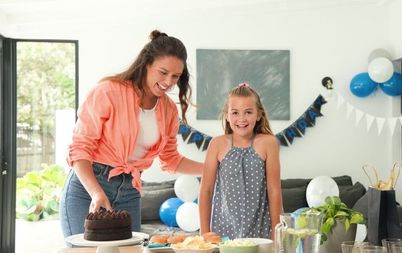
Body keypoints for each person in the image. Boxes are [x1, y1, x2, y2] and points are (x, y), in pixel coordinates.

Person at [60, 30, 203, 239]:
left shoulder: (168, 110)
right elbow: (80, 149)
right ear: (146, 64)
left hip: (130, 191)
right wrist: (96, 192)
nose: (168, 81)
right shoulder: (109, 91)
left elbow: (170, 160)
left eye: (176, 76)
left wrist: (211, 168)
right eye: (163, 72)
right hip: (89, 186)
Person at [199, 83, 282, 240]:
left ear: (259, 115)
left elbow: (274, 190)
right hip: (224, 230)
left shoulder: (269, 143)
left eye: (248, 112)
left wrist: (277, 234)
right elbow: (206, 190)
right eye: (235, 113)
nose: (241, 119)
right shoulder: (217, 144)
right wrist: (205, 234)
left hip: (261, 230)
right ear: (227, 115)